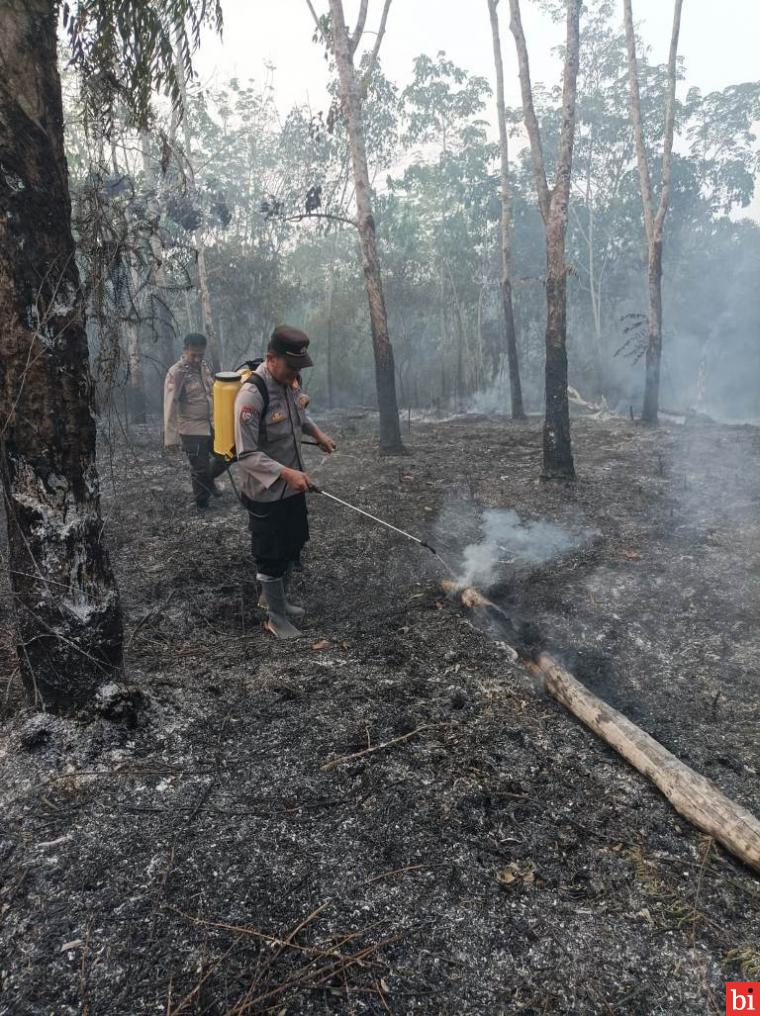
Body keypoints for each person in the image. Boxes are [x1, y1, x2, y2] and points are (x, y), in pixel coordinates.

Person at [235, 325, 336, 638]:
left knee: (293, 544)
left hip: (293, 485)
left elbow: (298, 416)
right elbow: (246, 454)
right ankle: (275, 618)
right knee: (270, 553)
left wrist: (317, 434)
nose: (296, 375)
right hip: (267, 492)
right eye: (291, 367)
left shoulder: (289, 383)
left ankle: (280, 602)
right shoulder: (252, 394)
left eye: (299, 369)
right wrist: (284, 472)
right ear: (271, 358)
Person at [164, 332, 228, 509]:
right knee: (200, 469)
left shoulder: (205, 367)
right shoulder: (176, 372)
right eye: (194, 355)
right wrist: (171, 439)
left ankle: (208, 480)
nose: (198, 359)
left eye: (201, 354)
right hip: (191, 430)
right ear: (185, 350)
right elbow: (170, 406)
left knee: (228, 455)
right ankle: (202, 504)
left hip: (211, 425)